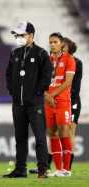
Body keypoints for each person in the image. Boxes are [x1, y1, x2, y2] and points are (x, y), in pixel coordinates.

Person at [4, 21, 52, 178]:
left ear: (31, 35)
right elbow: (8, 75)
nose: (18, 38)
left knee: (39, 138)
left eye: (21, 35)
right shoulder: (15, 53)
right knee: (20, 139)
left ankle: (43, 169)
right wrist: (14, 93)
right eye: (17, 35)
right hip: (18, 104)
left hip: (34, 104)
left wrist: (37, 93)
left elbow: (46, 77)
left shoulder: (41, 54)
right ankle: (20, 170)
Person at [45, 33, 76, 177]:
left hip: (62, 101)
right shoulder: (46, 60)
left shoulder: (69, 59)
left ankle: (67, 170)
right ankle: (58, 169)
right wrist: (46, 95)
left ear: (61, 43)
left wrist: (52, 95)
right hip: (48, 102)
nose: (52, 44)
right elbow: (41, 81)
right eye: (50, 42)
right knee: (52, 133)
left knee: (64, 131)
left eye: (55, 42)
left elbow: (68, 82)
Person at [63, 37, 82, 170]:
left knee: (70, 132)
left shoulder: (76, 62)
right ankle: (45, 165)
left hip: (72, 101)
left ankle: (67, 167)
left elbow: (75, 86)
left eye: (63, 46)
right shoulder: (56, 62)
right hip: (59, 101)